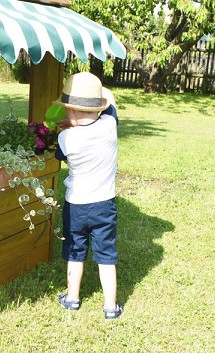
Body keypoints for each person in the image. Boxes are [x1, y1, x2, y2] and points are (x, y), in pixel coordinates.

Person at [53, 72, 123, 319]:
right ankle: (110, 307)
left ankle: (72, 298)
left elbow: (60, 156)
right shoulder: (109, 125)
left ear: (69, 112)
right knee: (106, 255)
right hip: (104, 204)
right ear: (99, 107)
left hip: (76, 206)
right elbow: (110, 103)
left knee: (75, 251)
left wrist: (69, 127)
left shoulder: (65, 137)